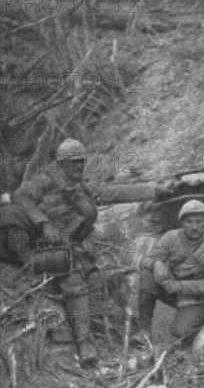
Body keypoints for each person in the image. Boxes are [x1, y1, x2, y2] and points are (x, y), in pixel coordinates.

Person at [2, 138, 174, 369]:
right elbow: (21, 198)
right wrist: (43, 223)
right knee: (73, 282)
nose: (78, 167)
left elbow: (113, 192)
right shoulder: (44, 180)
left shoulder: (79, 186)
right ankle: (85, 348)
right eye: (73, 163)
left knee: (95, 276)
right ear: (61, 163)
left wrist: (153, 192)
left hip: (63, 244)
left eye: (81, 162)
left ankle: (122, 338)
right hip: (34, 244)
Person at [131, 200, 204, 348]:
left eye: (199, 221)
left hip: (198, 298)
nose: (194, 227)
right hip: (172, 290)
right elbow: (147, 260)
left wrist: (179, 286)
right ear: (182, 222)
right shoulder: (171, 237)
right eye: (189, 222)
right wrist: (156, 263)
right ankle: (144, 332)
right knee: (147, 275)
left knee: (179, 331)